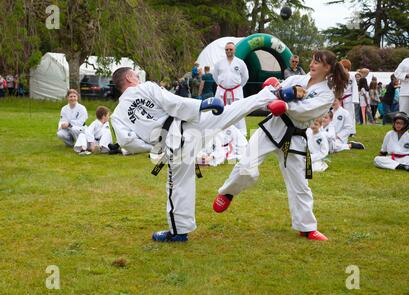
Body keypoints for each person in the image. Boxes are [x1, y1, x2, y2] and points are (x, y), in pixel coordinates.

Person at [110, 67, 303, 242]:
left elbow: (128, 142)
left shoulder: (117, 115)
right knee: (231, 112)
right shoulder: (147, 88)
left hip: (173, 142)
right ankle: (271, 93)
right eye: (135, 75)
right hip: (189, 124)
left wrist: (154, 146)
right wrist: (201, 105)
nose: (138, 77)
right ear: (128, 77)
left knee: (178, 186)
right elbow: (172, 102)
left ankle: (179, 232)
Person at [213, 50, 350, 242]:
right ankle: (227, 192)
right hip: (271, 129)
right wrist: (277, 90)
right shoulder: (298, 79)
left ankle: (307, 228)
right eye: (312, 60)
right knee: (246, 167)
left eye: (317, 63)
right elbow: (276, 90)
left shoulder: (326, 94)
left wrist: (286, 105)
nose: (312, 64)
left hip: (294, 137)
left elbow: (305, 111)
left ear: (327, 68)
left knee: (299, 184)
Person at [213, 42, 249, 137]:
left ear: (234, 50)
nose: (228, 51)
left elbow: (245, 77)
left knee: (238, 110)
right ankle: (218, 132)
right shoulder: (219, 63)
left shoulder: (240, 63)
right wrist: (222, 85)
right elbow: (215, 76)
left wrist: (238, 86)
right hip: (222, 91)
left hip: (236, 91)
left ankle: (241, 133)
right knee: (219, 110)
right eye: (227, 49)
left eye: (230, 49)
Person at [339, 59, 359, 135]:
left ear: (348, 69)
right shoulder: (338, 76)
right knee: (340, 114)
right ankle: (340, 129)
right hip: (340, 98)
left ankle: (351, 131)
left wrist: (355, 99)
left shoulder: (352, 76)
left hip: (348, 98)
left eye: (345, 68)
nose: (344, 70)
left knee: (350, 115)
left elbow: (355, 88)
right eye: (342, 68)